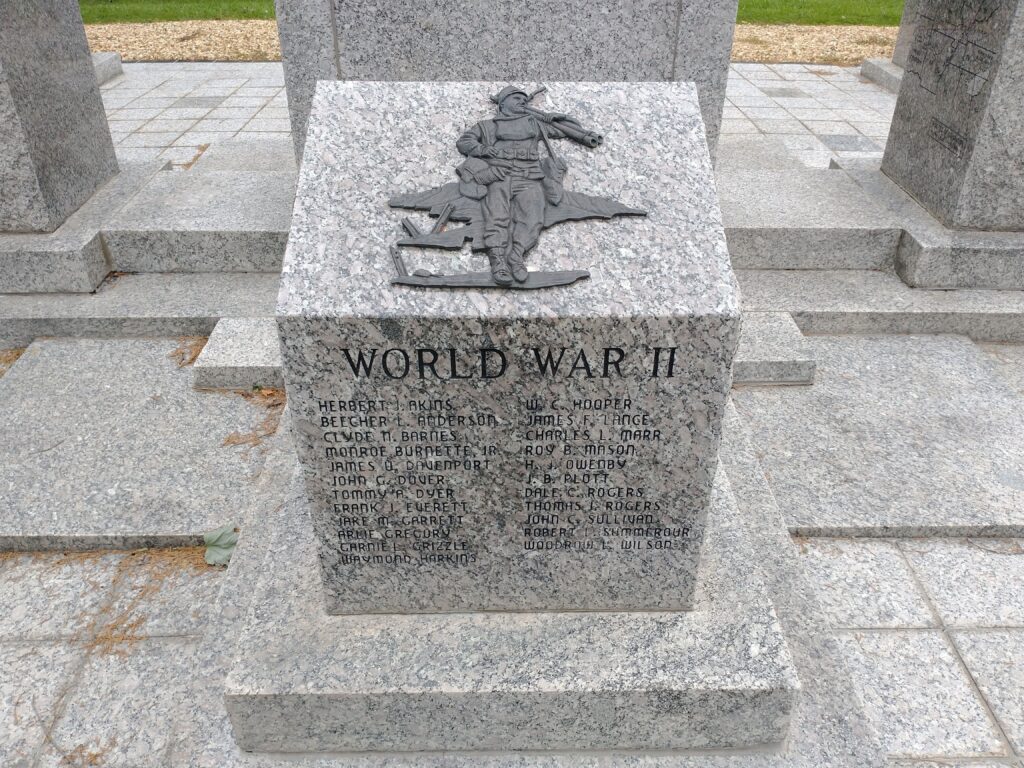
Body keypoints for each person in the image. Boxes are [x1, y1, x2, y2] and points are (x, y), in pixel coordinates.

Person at [455, 86, 575, 285]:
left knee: (534, 218)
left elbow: (568, 131)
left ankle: (516, 256)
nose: (522, 101)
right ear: (503, 103)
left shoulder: (535, 124)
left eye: (524, 99)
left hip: (529, 177)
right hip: (499, 175)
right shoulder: (487, 126)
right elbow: (464, 142)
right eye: (516, 98)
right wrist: (483, 149)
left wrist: (554, 118)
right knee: (497, 218)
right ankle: (498, 260)